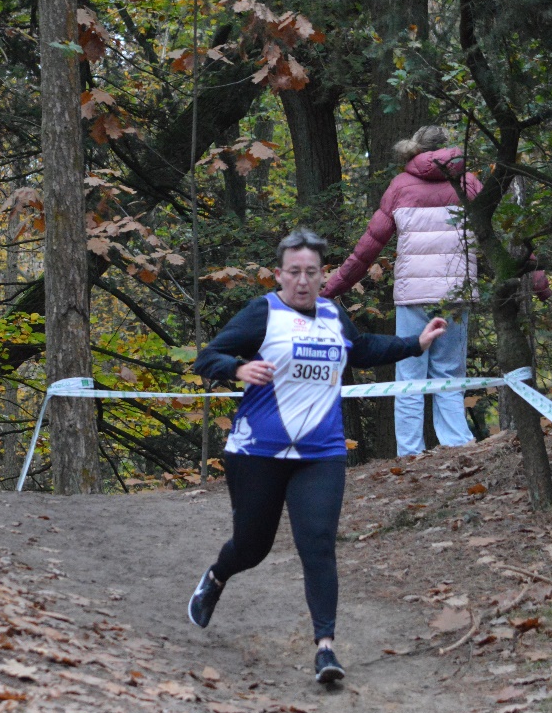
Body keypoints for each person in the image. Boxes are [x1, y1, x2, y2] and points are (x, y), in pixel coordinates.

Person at [187, 228, 448, 683]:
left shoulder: (333, 315)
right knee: (253, 546)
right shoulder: (262, 313)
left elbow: (362, 349)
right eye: (294, 272)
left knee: (318, 543)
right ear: (279, 275)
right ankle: (216, 577)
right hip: (257, 451)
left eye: (311, 272)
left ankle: (325, 648)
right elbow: (207, 357)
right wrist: (237, 367)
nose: (303, 281)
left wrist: (415, 343)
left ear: (322, 275)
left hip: (320, 452)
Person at [320, 125, 549, 455]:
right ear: (448, 147)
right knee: (450, 374)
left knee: (409, 375)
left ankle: (410, 454)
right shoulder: (467, 182)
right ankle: (456, 448)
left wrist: (330, 288)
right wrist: (538, 279)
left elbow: (367, 247)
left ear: (415, 149)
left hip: (413, 296)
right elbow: (500, 234)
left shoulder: (400, 186)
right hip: (455, 293)